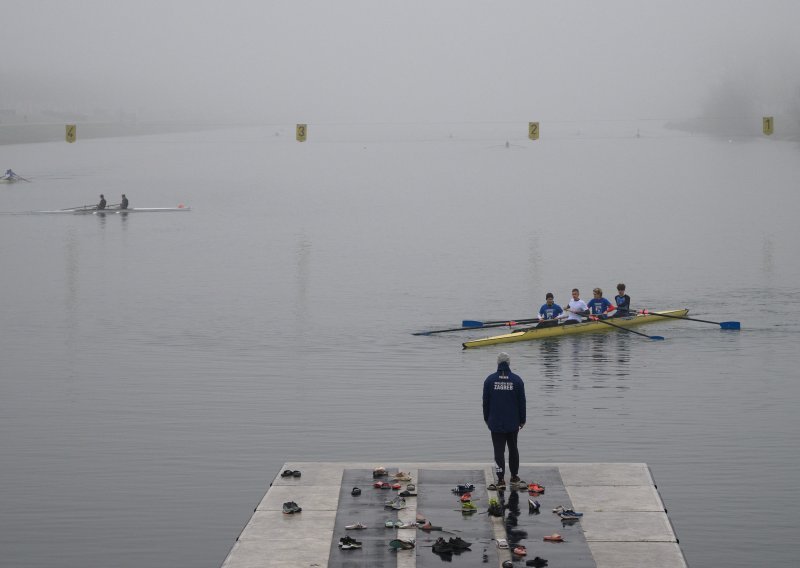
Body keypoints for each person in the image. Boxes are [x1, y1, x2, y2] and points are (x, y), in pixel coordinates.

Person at [483, 352, 526, 490]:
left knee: (498, 451)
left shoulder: (489, 380)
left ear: (498, 363)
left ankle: (500, 479)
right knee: (513, 448)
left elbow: (485, 403)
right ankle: (514, 477)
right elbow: (522, 402)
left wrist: (487, 419)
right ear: (508, 363)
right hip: (513, 422)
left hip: (495, 422)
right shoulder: (517, 380)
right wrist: (522, 420)